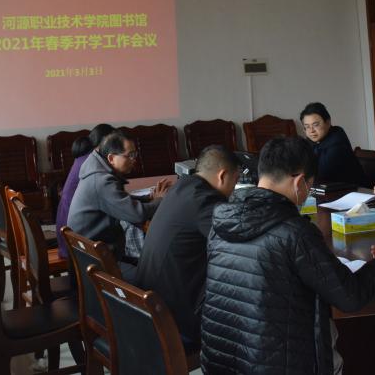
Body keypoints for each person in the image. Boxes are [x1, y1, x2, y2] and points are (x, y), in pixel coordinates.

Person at [201, 136, 375, 375]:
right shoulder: (295, 231)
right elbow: (350, 297)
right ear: (300, 182)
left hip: (221, 363)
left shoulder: (222, 221)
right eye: (309, 187)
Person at [135, 145, 240, 346]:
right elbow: (235, 242)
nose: (234, 190)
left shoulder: (181, 188)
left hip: (149, 302)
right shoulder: (205, 200)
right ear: (222, 176)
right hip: (172, 318)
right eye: (235, 182)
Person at [66, 131, 169, 279]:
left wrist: (149, 198)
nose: (134, 160)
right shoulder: (101, 181)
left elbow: (119, 200)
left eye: (135, 154)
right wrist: (160, 200)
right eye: (130, 155)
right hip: (96, 266)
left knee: (152, 266)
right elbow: (137, 214)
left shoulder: (97, 171)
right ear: (111, 158)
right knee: (158, 277)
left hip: (96, 256)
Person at [56, 123, 114, 259]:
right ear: (104, 143)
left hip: (68, 233)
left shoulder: (85, 158)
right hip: (77, 244)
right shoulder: (92, 162)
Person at [300, 102, 366, 187]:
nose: (311, 130)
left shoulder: (338, 140)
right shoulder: (311, 141)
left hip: (352, 190)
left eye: (315, 125)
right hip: (327, 188)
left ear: (328, 122)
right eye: (307, 126)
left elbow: (320, 173)